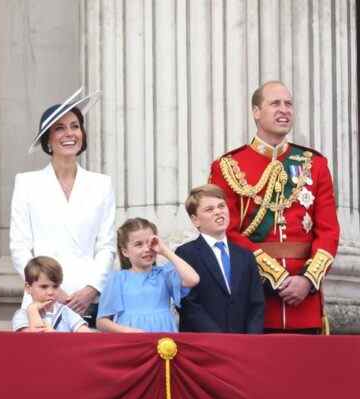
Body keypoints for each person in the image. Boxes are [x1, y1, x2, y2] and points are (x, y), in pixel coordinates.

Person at [209, 81, 340, 334]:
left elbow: (329, 231)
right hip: (255, 299)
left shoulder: (315, 165)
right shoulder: (228, 166)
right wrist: (276, 277)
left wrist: (307, 280)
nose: (284, 110)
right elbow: (227, 231)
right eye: (275, 103)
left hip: (305, 301)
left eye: (288, 104)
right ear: (256, 112)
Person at [10, 87, 117, 326]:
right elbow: (20, 246)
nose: (69, 133)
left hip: (87, 300)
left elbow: (106, 245)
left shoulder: (101, 184)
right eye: (60, 128)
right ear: (48, 138)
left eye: (75, 126)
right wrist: (49, 288)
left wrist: (90, 289)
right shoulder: (26, 183)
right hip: (41, 299)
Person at [175, 184, 265, 333]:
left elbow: (256, 302)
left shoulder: (245, 255)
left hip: (243, 343)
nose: (218, 212)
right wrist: (218, 338)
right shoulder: (186, 254)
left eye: (221, 206)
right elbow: (188, 303)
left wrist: (251, 338)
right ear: (195, 219)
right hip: (205, 343)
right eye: (209, 209)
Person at [96, 218, 199, 333]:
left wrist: (165, 251)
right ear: (125, 251)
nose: (146, 249)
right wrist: (127, 331)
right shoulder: (118, 279)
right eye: (138, 244)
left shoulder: (164, 274)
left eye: (150, 243)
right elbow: (102, 322)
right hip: (131, 341)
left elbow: (193, 279)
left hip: (164, 340)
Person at [12, 256, 93, 333]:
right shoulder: (22, 315)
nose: (50, 292)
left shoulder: (66, 312)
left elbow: (87, 336)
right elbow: (34, 340)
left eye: (55, 286)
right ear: (28, 288)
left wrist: (55, 335)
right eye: (44, 287)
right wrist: (33, 310)